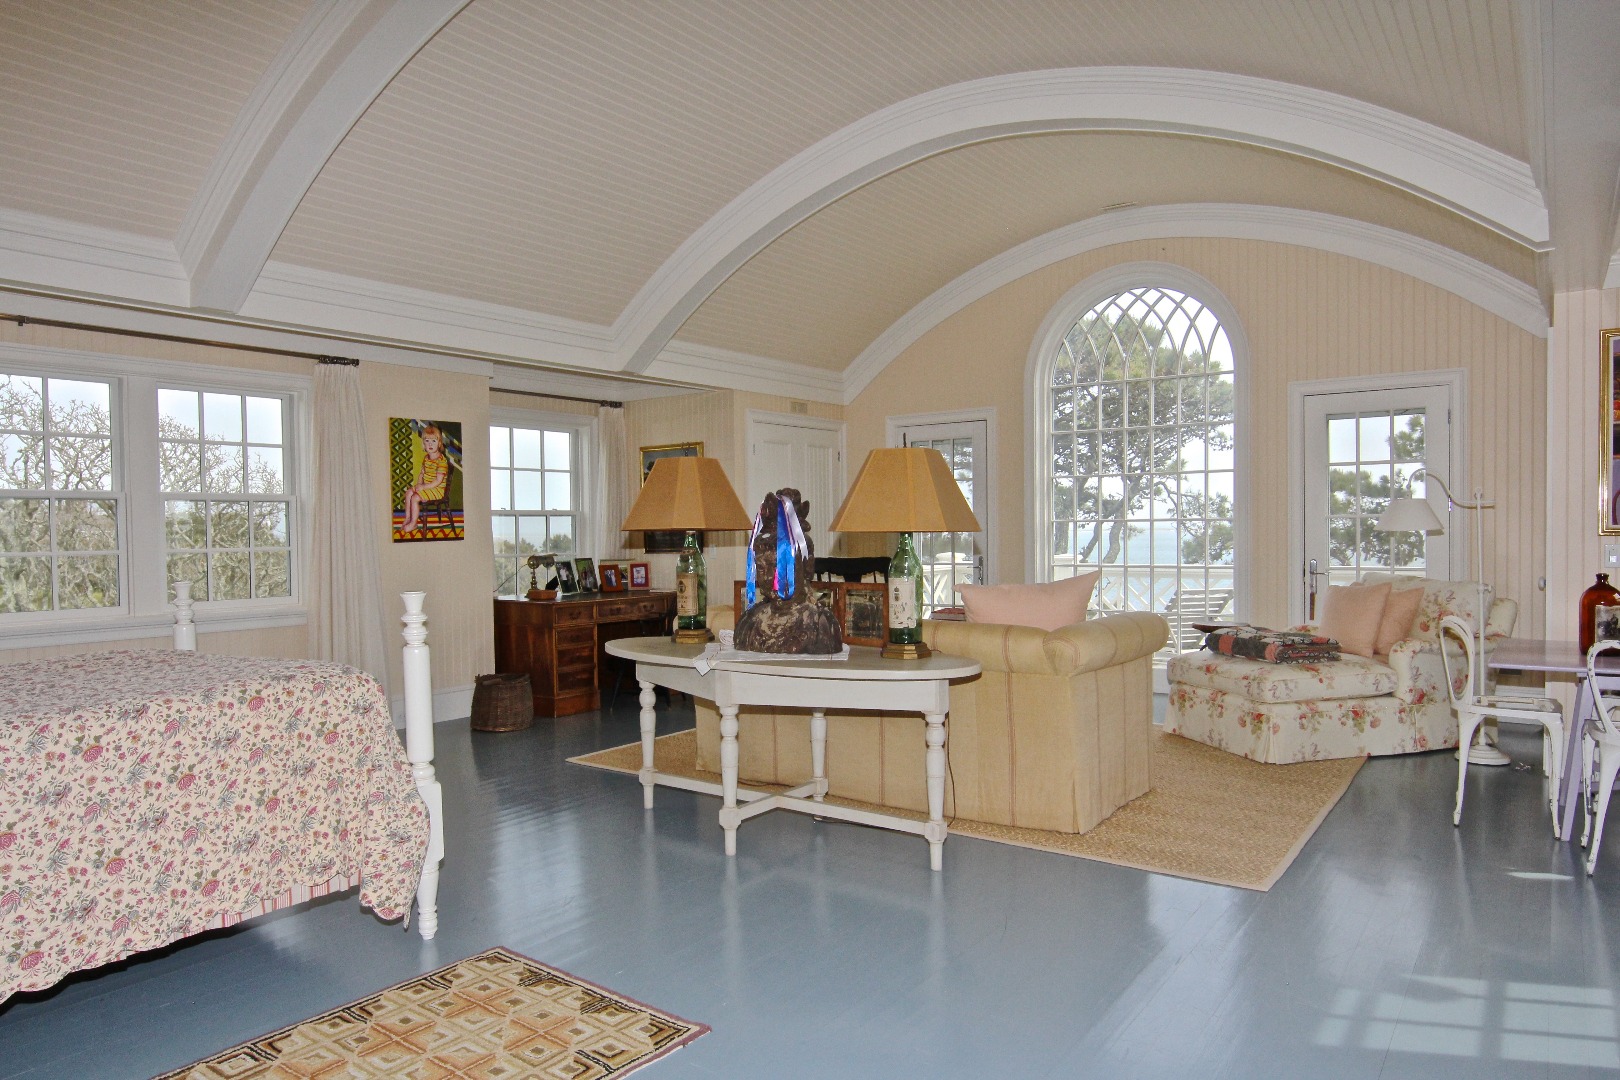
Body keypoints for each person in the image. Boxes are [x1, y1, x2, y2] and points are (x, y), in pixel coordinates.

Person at [401, 424, 450, 533]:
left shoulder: (441, 461)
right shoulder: (426, 458)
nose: (430, 444)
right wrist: (419, 485)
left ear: (439, 443)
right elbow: (422, 474)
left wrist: (423, 487)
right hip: (427, 487)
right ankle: (408, 518)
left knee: (414, 498)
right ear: (423, 444)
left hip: (437, 490)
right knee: (409, 492)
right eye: (427, 441)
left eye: (433, 441)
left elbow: (438, 481)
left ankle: (414, 523)